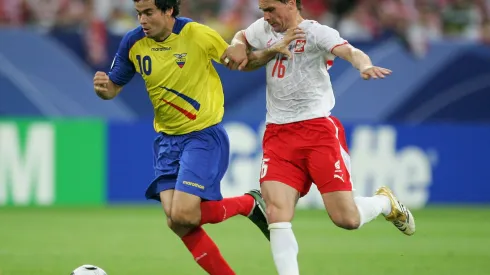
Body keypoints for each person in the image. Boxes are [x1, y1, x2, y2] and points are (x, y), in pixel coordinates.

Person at [221, 0, 416, 274]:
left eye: (271, 9)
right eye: (262, 9)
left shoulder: (315, 32)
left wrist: (364, 65)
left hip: (317, 132)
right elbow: (242, 36)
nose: (266, 16)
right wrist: (239, 43)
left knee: (346, 218)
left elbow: (350, 51)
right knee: (277, 213)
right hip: (278, 134)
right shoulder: (264, 28)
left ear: (290, 3)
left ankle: (386, 202)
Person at [92, 1, 269, 274]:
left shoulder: (196, 34)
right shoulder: (133, 42)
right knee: (176, 222)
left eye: (149, 13)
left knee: (184, 214)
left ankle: (249, 204)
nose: (142, 20)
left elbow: (240, 62)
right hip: (166, 140)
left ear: (168, 11)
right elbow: (112, 88)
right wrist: (103, 90)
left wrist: (265, 53)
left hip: (202, 136)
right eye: (139, 13)